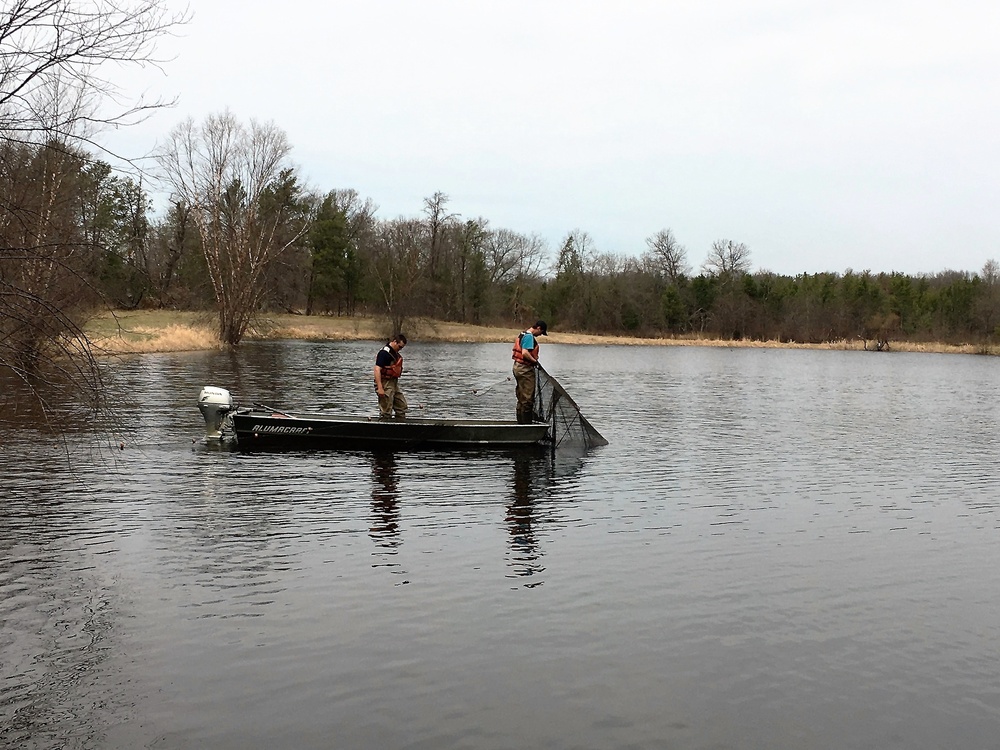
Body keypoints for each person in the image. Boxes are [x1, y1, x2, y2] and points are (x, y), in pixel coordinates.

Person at [511, 320, 547, 423]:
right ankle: (526, 425)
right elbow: (525, 353)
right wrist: (534, 361)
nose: (540, 335)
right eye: (541, 332)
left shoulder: (523, 333)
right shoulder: (529, 337)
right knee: (527, 399)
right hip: (525, 369)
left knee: (521, 397)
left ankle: (520, 423)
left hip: (517, 367)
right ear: (538, 328)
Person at [374, 334, 408, 419]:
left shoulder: (395, 353)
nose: (400, 349)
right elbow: (377, 369)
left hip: (393, 383)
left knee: (401, 406)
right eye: (399, 347)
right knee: (386, 409)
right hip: (385, 383)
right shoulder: (384, 353)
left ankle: (400, 423)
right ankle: (384, 422)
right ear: (395, 342)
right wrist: (380, 388)